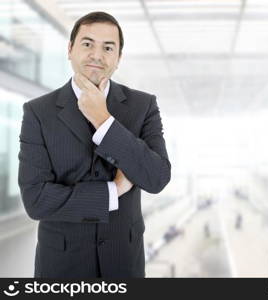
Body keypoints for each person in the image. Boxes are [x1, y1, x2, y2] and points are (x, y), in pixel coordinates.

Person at [17, 11, 171, 278]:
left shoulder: (143, 106)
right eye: (87, 44)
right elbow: (36, 200)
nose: (97, 55)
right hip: (61, 268)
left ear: (119, 58)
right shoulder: (38, 112)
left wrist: (104, 120)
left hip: (124, 265)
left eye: (108, 47)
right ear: (70, 50)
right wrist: (113, 191)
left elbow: (157, 177)